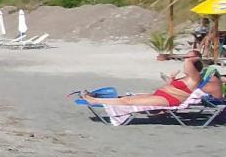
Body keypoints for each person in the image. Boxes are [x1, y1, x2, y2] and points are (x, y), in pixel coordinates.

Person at [82, 51, 219, 106]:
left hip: (171, 100)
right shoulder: (187, 77)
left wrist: (194, 56)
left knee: (128, 101)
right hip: (162, 94)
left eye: (189, 58)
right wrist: (171, 78)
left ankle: (94, 100)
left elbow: (189, 63)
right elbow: (174, 85)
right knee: (126, 98)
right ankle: (96, 98)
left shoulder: (195, 78)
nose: (185, 60)